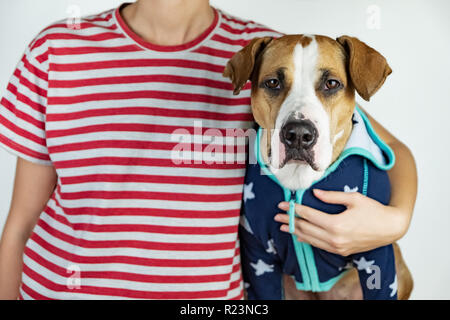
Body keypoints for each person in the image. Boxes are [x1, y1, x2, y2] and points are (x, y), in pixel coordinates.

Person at [0, 0, 417, 299]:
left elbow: (390, 146)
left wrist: (395, 223)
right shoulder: (56, 49)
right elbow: (21, 222)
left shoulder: (270, 52)